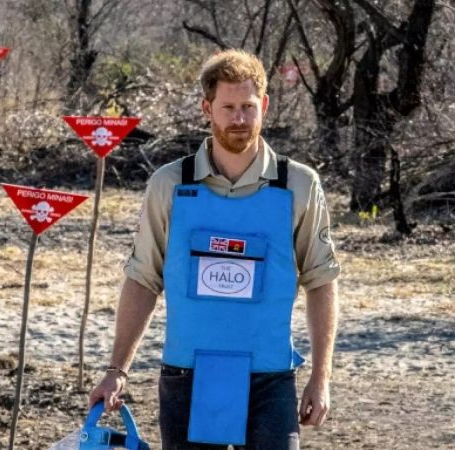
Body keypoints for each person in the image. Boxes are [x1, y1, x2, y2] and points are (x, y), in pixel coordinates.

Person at [88, 49, 341, 450]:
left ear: (265, 106)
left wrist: (320, 378)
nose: (239, 119)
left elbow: (322, 281)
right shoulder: (169, 185)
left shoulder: (299, 185)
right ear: (207, 108)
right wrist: (117, 369)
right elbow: (141, 279)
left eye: (248, 107)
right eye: (228, 108)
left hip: (270, 379)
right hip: (186, 377)